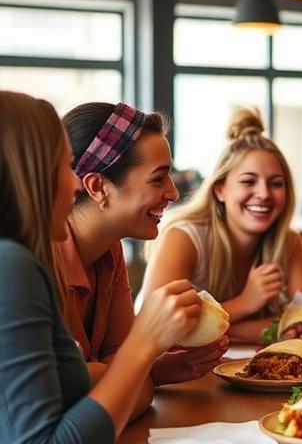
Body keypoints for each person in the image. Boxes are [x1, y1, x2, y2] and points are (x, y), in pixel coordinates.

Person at [0, 91, 200, 444]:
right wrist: (143, 349)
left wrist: (128, 372)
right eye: (63, 166)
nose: (73, 186)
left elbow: (116, 391)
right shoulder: (13, 267)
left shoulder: (103, 253)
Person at [56, 102, 229, 420]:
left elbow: (121, 366)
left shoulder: (110, 251)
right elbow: (60, 401)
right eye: (158, 179)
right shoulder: (36, 264)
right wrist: (141, 377)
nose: (174, 193)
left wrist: (157, 371)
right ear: (98, 187)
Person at [142, 105, 302, 345]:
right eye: (248, 181)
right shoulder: (183, 236)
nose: (264, 193)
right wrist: (247, 302)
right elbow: (156, 327)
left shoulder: (287, 239)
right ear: (220, 189)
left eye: (276, 183)